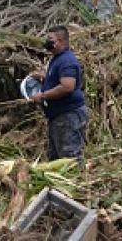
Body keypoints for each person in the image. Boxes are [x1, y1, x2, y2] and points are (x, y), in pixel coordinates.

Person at [29, 25, 88, 163]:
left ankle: (76, 182)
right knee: (56, 159)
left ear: (61, 41)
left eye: (50, 39)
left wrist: (42, 96)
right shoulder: (57, 58)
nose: (47, 42)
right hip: (59, 117)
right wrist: (44, 77)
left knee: (69, 158)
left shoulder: (67, 60)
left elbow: (67, 87)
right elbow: (59, 79)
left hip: (68, 116)